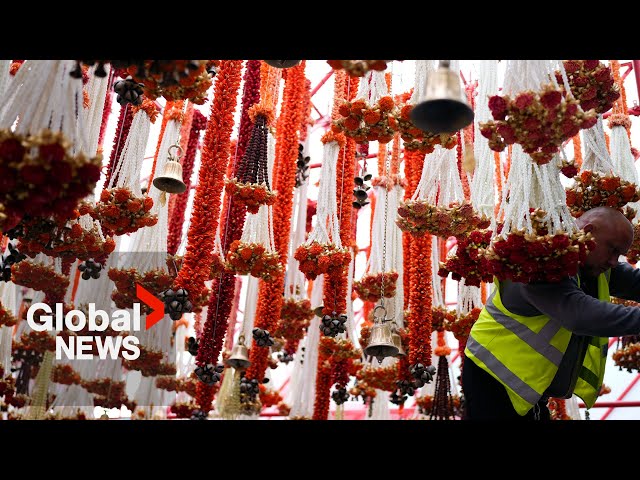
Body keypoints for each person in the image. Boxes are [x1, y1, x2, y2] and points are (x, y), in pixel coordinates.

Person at [462, 206, 640, 420]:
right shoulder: (541, 262)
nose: (614, 261)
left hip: (526, 386)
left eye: (619, 255)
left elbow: (634, 282)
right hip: (494, 378)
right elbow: (580, 314)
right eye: (612, 249)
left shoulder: (590, 262)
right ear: (588, 231)